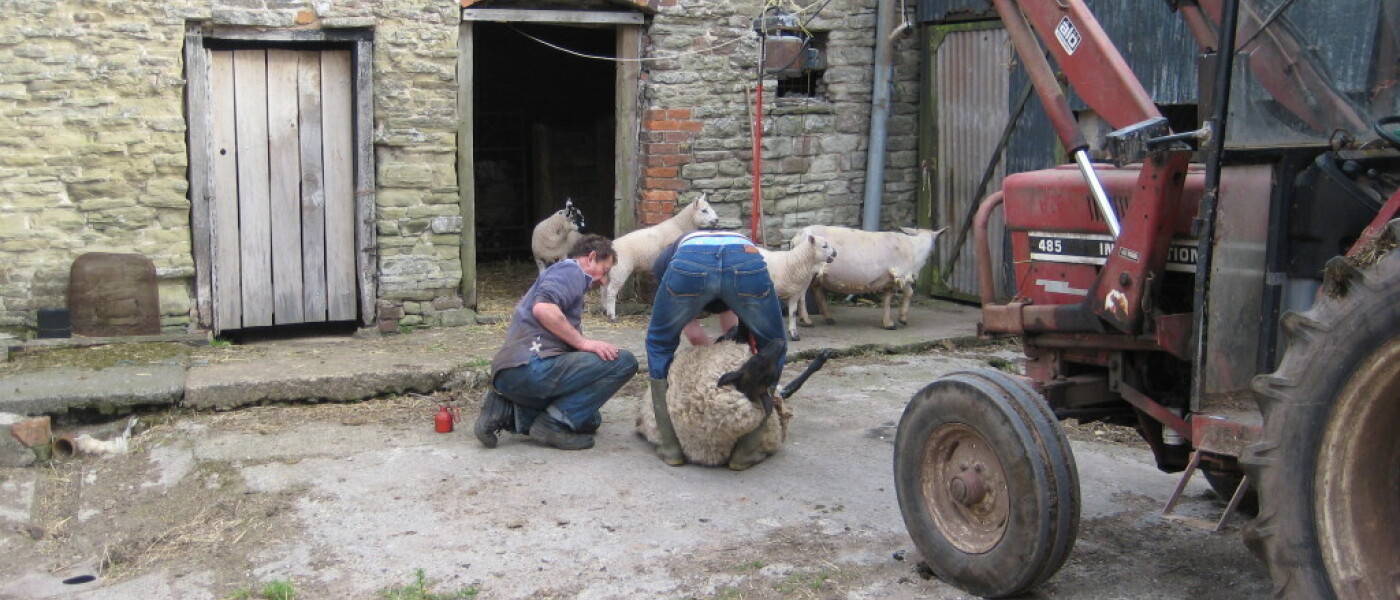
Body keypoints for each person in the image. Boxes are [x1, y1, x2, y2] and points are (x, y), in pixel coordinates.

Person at [474, 234, 638, 451]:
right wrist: (583, 343)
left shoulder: (564, 276)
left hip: (511, 373)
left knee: (590, 420)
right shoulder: (571, 271)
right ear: (590, 258)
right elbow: (544, 309)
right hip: (532, 367)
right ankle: (553, 424)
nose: (604, 280)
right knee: (624, 362)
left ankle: (507, 411)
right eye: (605, 270)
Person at [645, 228, 787, 467]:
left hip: (690, 263)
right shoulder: (667, 260)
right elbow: (703, 331)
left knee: (658, 344)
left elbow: (693, 329)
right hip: (745, 258)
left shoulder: (666, 261)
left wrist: (717, 360)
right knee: (774, 344)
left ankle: (670, 447)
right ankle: (748, 450)